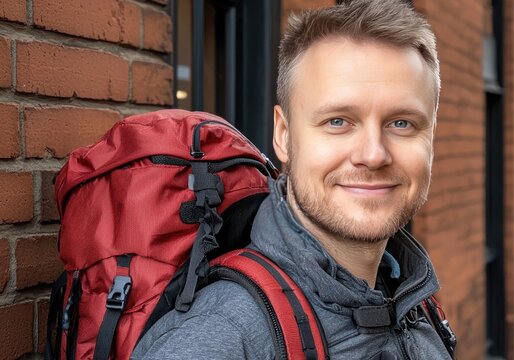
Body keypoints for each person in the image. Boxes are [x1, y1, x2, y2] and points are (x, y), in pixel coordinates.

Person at [132, 0, 452, 358]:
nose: (374, 154)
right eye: (338, 121)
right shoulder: (221, 337)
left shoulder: (412, 300)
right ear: (284, 135)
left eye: (402, 123)